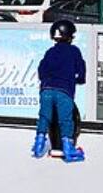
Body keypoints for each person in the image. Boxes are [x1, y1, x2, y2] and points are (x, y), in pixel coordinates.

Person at [31, 20, 86, 162]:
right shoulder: (74, 51)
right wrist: (79, 79)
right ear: (70, 36)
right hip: (64, 91)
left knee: (44, 117)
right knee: (65, 119)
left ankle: (38, 146)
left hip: (46, 90)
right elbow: (81, 70)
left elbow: (41, 70)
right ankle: (68, 149)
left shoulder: (50, 52)